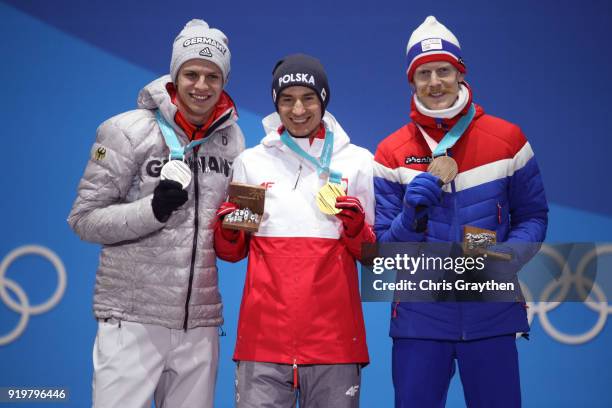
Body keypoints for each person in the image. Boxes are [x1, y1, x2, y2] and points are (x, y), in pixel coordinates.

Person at [67, 19, 244, 408]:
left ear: (224, 81)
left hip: (200, 323)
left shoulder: (233, 141)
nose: (202, 85)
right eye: (192, 73)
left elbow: (220, 229)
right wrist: (153, 210)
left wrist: (235, 230)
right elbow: (83, 219)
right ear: (174, 75)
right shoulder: (125, 131)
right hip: (133, 318)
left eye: (212, 76)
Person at [373, 16, 548, 408]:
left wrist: (500, 261)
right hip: (420, 320)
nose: (435, 82)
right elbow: (385, 251)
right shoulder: (391, 152)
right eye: (424, 74)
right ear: (411, 81)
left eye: (444, 70)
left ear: (460, 73)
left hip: (492, 315)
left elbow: (534, 217)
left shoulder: (508, 139)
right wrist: (412, 211)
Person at [214, 54, 375, 407]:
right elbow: (232, 253)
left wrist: (355, 229)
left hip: (334, 342)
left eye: (308, 98)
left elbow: (375, 258)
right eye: (287, 99)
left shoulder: (358, 162)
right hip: (262, 340)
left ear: (323, 100)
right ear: (276, 103)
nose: (298, 109)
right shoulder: (251, 162)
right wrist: (227, 230)